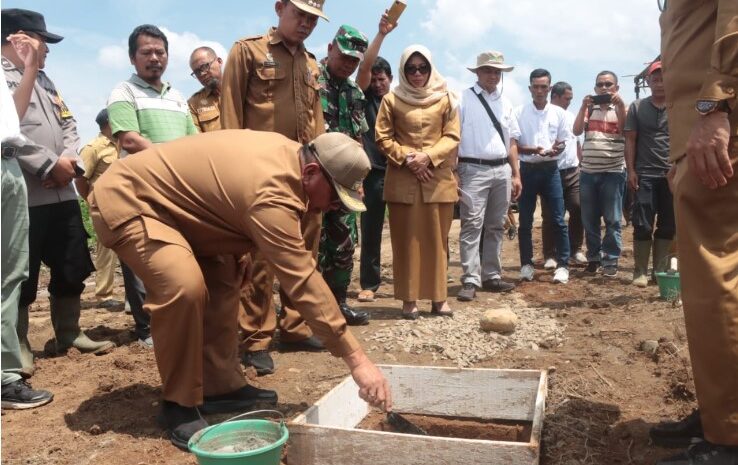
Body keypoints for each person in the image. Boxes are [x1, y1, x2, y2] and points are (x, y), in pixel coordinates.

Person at [88, 130, 392, 449]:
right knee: (184, 286)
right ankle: (177, 404)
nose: (334, 207)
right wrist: (357, 361)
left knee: (225, 276)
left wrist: (238, 247)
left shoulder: (296, 158)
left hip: (184, 213)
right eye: (335, 197)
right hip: (132, 201)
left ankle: (217, 386)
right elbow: (302, 280)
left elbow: (223, 195)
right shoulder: (272, 190)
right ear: (312, 172)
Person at [2, 8, 114, 374]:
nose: (46, 50)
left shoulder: (47, 82)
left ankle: (69, 332)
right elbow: (9, 131)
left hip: (62, 193)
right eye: (41, 41)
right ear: (17, 38)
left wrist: (68, 163)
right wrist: (49, 165)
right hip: (26, 194)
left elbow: (69, 125)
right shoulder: (3, 79)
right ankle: (18, 345)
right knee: (22, 273)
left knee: (71, 264)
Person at [220, 0, 328, 375]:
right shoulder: (247, 51)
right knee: (261, 258)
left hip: (305, 173)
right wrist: (234, 173)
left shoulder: (311, 62)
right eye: (300, 14)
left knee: (305, 252)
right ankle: (255, 338)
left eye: (313, 18)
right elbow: (231, 115)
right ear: (279, 7)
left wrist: (322, 170)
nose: (306, 24)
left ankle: (296, 328)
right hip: (260, 174)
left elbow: (316, 121)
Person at [650, 2, 738, 463]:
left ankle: (730, 438)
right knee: (705, 286)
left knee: (719, 277)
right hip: (699, 132)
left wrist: (715, 106)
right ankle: (718, 412)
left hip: (720, 124)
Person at [107, 24, 197, 347]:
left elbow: (194, 142)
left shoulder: (177, 97)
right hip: (141, 192)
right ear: (133, 58)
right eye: (146, 52)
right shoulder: (123, 93)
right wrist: (170, 161)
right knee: (143, 261)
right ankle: (147, 329)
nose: (154, 58)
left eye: (160, 52)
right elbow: (129, 138)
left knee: (177, 259)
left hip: (177, 192)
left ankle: (179, 322)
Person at [375, 45, 460, 319]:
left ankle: (439, 299)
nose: (417, 74)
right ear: (403, 70)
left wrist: (428, 157)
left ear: (430, 68)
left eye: (422, 68)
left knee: (438, 241)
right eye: (410, 69)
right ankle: (409, 300)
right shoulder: (391, 99)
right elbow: (383, 137)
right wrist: (409, 159)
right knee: (406, 241)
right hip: (403, 179)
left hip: (437, 178)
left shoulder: (446, 98)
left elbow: (452, 136)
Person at [1, 55, 53, 410]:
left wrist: (30, 69)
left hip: (8, 162)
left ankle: (5, 377)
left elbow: (10, 120)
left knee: (10, 274)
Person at [316, 24, 371, 326]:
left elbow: (359, 140)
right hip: (312, 179)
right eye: (344, 56)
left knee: (344, 245)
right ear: (330, 49)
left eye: (354, 60)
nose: (348, 63)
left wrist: (359, 182)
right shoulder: (310, 81)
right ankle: (305, 313)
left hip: (345, 183)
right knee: (311, 246)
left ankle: (338, 304)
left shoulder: (354, 92)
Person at [456, 51, 521, 302]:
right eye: (488, 70)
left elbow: (512, 141)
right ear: (478, 72)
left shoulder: (506, 103)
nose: (493, 75)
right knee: (471, 225)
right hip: (472, 168)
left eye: (497, 71)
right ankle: (470, 279)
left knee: (496, 225)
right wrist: (454, 172)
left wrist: (516, 174)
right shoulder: (462, 99)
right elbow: (453, 139)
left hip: (501, 169)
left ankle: (491, 275)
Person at [514, 69, 572, 284]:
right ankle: (526, 264)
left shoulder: (559, 113)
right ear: (530, 88)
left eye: (543, 87)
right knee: (525, 221)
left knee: (558, 218)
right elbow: (514, 145)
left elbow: (563, 141)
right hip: (527, 170)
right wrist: (533, 150)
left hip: (550, 170)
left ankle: (563, 265)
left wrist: (557, 149)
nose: (539, 91)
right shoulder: (519, 112)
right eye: (535, 87)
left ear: (549, 88)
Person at [356, 13, 397, 304]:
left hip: (400, 172)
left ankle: (411, 280)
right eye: (375, 79)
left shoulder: (400, 102)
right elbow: (365, 66)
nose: (378, 84)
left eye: (383, 80)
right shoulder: (364, 97)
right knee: (371, 231)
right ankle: (369, 283)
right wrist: (381, 34)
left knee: (406, 229)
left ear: (391, 80)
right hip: (372, 175)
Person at [623, 61, 674, 287]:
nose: (660, 83)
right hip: (644, 174)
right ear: (648, 82)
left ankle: (660, 272)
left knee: (668, 224)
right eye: (655, 79)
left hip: (672, 174)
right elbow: (630, 140)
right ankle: (640, 271)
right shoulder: (636, 107)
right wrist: (631, 170)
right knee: (642, 223)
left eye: (664, 79)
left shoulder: (678, 107)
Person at [573, 70, 627, 278]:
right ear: (595, 88)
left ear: (616, 88)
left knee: (613, 219)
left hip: (613, 171)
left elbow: (625, 130)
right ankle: (594, 258)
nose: (604, 88)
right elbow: (576, 131)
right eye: (600, 85)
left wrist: (621, 106)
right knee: (590, 219)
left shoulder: (623, 107)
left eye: (608, 84)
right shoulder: (589, 109)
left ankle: (611, 260)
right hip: (588, 171)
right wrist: (582, 107)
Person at [74, 109, 122, 307]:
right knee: (107, 250)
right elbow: (80, 179)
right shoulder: (93, 148)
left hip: (127, 204)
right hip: (104, 206)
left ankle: (133, 297)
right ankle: (104, 295)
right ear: (109, 122)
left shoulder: (124, 143)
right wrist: (91, 200)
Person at [542, 81, 586, 268]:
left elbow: (575, 142)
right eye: (567, 99)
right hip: (551, 171)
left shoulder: (571, 116)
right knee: (552, 214)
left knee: (578, 208)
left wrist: (580, 163)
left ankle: (575, 249)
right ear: (556, 97)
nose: (569, 102)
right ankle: (550, 254)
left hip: (573, 170)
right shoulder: (544, 115)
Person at [188, 46, 222, 133]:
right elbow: (197, 139)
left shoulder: (242, 88)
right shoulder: (194, 104)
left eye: (205, 66)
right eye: (197, 72)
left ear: (219, 62)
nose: (202, 74)